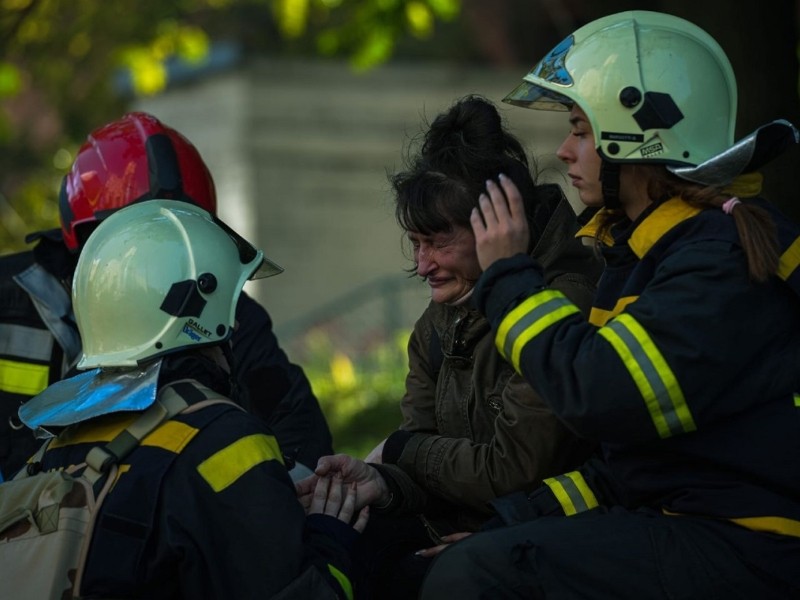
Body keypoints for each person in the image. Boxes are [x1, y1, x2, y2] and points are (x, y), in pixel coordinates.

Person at [420, 11, 800, 598]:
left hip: (747, 545)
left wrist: (508, 278)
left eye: (580, 128)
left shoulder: (713, 261)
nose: (565, 152)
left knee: (474, 578)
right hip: (686, 527)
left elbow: (599, 396)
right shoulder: (650, 257)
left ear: (638, 137)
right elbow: (626, 466)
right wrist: (508, 523)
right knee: (447, 560)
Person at [297, 95, 603, 598]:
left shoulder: (563, 304)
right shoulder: (436, 324)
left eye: (438, 243)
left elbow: (512, 470)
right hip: (478, 527)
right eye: (415, 243)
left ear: (497, 227)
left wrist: (398, 450)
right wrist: (383, 483)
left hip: (553, 532)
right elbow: (425, 458)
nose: (422, 265)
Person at [12, 199, 366, 598]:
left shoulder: (56, 445)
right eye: (231, 306)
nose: (234, 324)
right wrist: (331, 540)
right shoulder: (226, 438)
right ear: (199, 309)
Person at [0, 111, 332, 481]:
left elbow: (298, 432)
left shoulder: (223, 309)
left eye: (180, 231)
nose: (155, 255)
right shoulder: (7, 300)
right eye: (132, 234)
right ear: (85, 236)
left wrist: (275, 499)